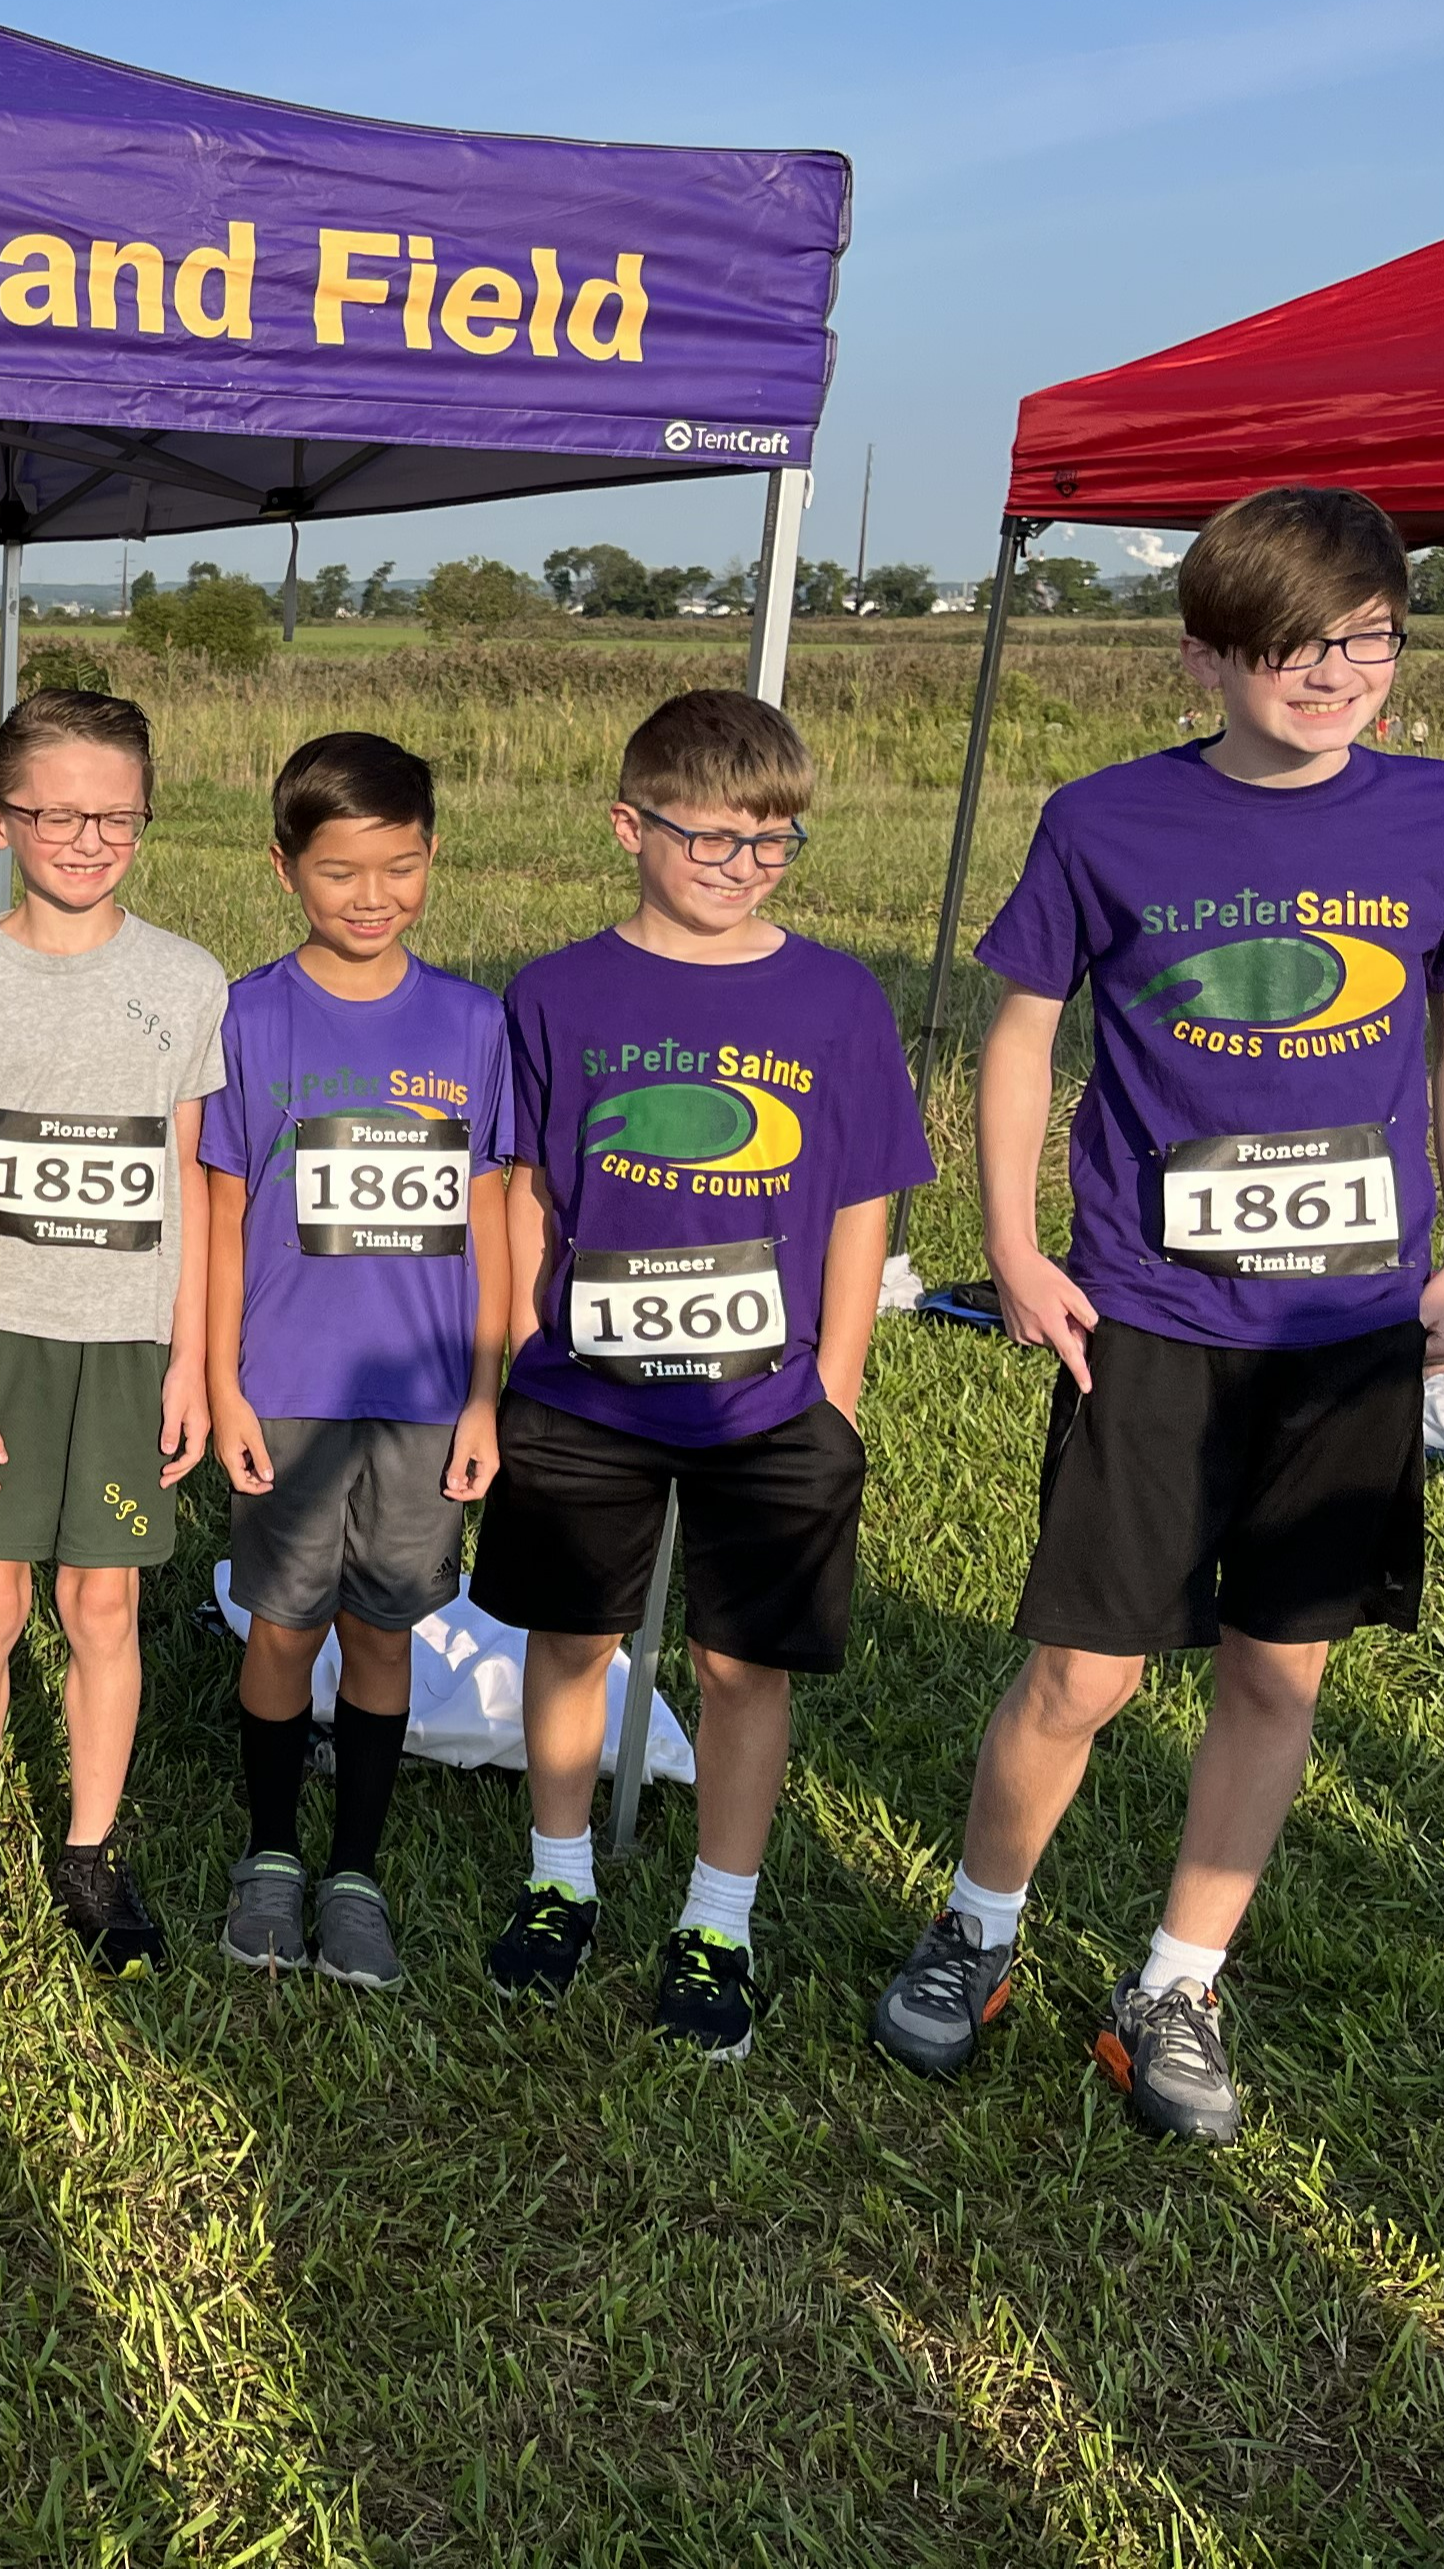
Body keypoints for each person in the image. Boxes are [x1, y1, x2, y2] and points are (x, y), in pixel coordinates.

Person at [870, 487, 1444, 2141]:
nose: (1334, 671)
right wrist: (1008, 1238)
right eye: (1294, 643)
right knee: (1081, 1668)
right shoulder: (1104, 820)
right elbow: (1018, 1033)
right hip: (1146, 1308)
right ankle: (975, 1927)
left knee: (1278, 1674)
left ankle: (1174, 1981)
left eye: (1365, 637)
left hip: (1348, 1320)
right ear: (1213, 649)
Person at [477, 690, 931, 2056]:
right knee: (572, 1640)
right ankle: (560, 1878)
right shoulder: (555, 990)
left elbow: (864, 1197)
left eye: (772, 843)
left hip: (767, 1401)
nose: (740, 868)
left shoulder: (838, 995)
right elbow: (524, 1191)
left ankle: (717, 1916)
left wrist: (836, 1383)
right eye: (709, 839)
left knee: (745, 1661)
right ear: (630, 825)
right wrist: (512, 1361)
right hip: (585, 1391)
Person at [0, 690, 219, 1976]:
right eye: (57, 815)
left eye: (118, 817)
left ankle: (90, 1847)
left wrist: (195, 1359)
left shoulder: (188, 980)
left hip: (132, 1345)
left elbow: (196, 1183)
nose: (89, 839)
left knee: (105, 1602)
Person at [198, 733, 512, 1990]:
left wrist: (486, 1391)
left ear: (433, 859)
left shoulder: (474, 1022)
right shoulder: (248, 1016)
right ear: (285, 869)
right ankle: (272, 1851)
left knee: (385, 1633)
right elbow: (221, 1213)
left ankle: (355, 1870)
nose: (371, 896)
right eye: (340, 872)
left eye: (400, 865)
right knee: (282, 1627)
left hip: (428, 1399)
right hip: (287, 1390)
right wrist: (223, 1383)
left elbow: (489, 1213)